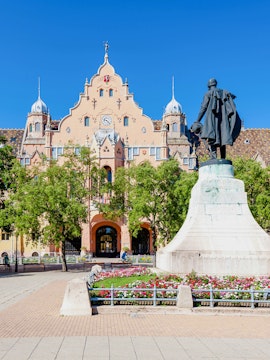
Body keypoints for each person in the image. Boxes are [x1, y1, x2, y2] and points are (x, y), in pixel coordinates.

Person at [192, 78, 241, 159]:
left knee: (212, 135)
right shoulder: (224, 93)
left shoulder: (208, 94)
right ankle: (223, 158)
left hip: (212, 118)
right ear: (215, 84)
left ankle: (213, 157)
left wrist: (197, 120)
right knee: (223, 136)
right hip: (223, 120)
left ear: (208, 85)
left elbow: (203, 108)